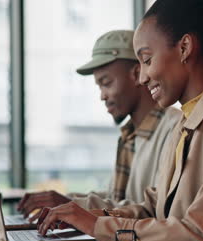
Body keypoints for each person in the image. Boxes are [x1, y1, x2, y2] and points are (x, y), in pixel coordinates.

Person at [36, 0, 203, 241]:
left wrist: (100, 228)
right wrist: (89, 218)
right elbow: (155, 208)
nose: (142, 77)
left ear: (185, 48)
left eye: (146, 60)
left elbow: (202, 236)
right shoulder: (186, 120)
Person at [17, 30, 181, 220]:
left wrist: (73, 206)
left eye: (106, 83)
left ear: (137, 74)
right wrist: (65, 202)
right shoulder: (129, 134)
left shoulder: (174, 129)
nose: (102, 95)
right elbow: (117, 200)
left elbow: (152, 209)